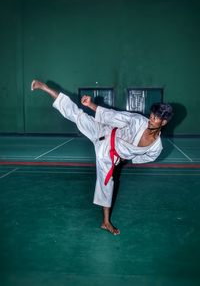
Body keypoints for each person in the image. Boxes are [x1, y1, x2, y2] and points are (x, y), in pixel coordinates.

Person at [31, 80, 173, 236]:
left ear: (164, 122)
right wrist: (91, 105)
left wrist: (126, 158)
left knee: (106, 184)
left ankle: (105, 222)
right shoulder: (138, 121)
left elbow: (146, 157)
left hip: (107, 154)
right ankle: (44, 87)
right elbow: (114, 116)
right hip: (103, 131)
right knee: (76, 114)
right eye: (152, 115)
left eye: (156, 118)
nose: (151, 119)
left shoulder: (156, 148)